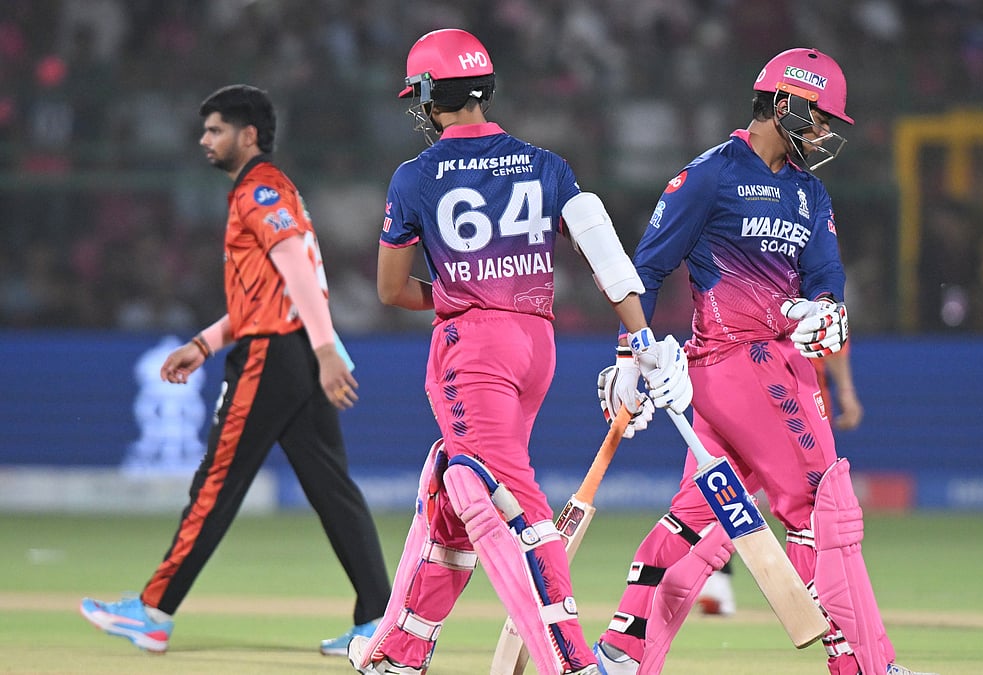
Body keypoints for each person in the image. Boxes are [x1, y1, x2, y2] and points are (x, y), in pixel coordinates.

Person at [346, 29, 691, 675]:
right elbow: (607, 258)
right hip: (537, 342)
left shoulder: (416, 176)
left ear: (427, 96)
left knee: (503, 499)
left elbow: (391, 289)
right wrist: (639, 343)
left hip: (472, 345)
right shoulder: (546, 163)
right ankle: (399, 651)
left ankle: (571, 661)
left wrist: (460, 291)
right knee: (451, 483)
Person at [591, 49, 937, 675]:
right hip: (741, 363)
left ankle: (621, 655)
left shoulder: (810, 193)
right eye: (820, 118)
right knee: (819, 507)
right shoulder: (710, 176)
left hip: (773, 367)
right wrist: (630, 356)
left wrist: (826, 312)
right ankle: (863, 664)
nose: (826, 133)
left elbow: (827, 279)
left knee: (698, 519)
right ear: (785, 105)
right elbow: (642, 270)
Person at [79, 84, 392, 656]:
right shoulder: (273, 189)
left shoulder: (260, 189)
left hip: (274, 355)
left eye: (215, 129)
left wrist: (326, 350)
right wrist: (205, 342)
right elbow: (270, 290)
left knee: (217, 483)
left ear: (248, 135)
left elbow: (296, 266)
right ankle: (379, 620)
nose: (205, 139)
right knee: (331, 488)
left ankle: (152, 611)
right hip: (290, 347)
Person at [695, 346, 863, 617]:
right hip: (794, 394)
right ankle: (818, 589)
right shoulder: (809, 302)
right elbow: (835, 340)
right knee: (806, 498)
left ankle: (715, 574)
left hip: (756, 387)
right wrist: (847, 392)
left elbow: (833, 336)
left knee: (739, 489)